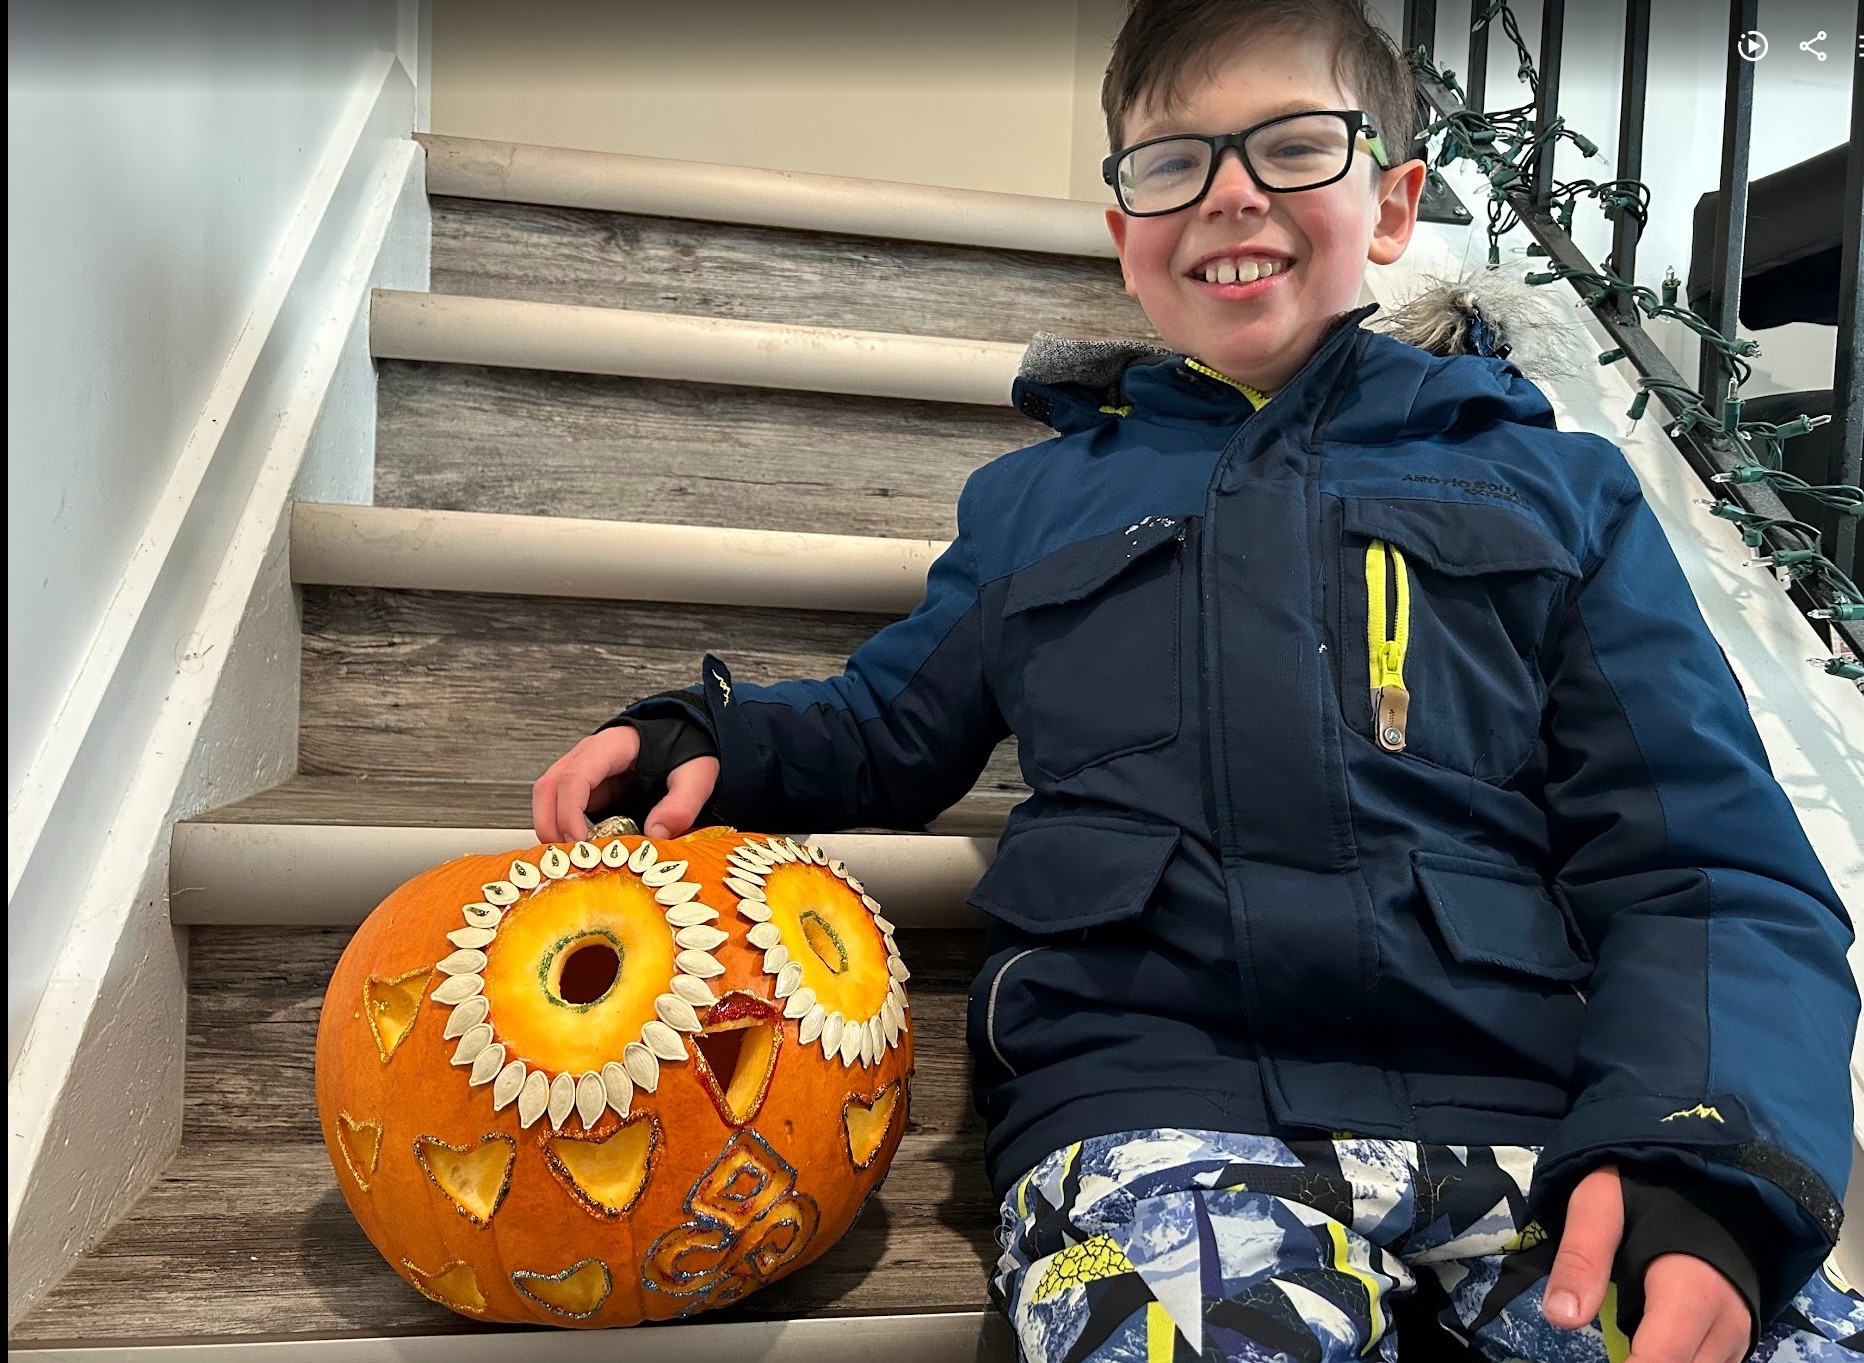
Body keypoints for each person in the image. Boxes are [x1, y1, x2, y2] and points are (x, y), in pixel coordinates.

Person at [532, 1, 1864, 1356]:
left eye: (1293, 145)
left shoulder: (1552, 487)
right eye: (1174, 162)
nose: (1231, 192)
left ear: (1394, 206)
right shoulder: (1034, 503)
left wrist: (1700, 1159)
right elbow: (886, 728)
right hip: (1155, 1103)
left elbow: (1705, 861)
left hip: (1531, 1108)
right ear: (1126, 238)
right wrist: (710, 737)